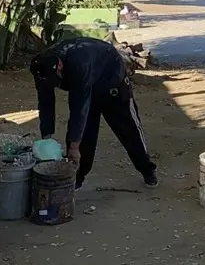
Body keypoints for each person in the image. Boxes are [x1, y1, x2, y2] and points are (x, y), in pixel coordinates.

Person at [30, 37, 158, 189]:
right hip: (85, 83)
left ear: (59, 67)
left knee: (128, 129)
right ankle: (76, 177)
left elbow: (80, 108)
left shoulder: (79, 64)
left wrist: (73, 147)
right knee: (83, 135)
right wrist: (47, 139)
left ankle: (146, 169)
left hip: (111, 82)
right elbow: (45, 102)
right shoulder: (41, 69)